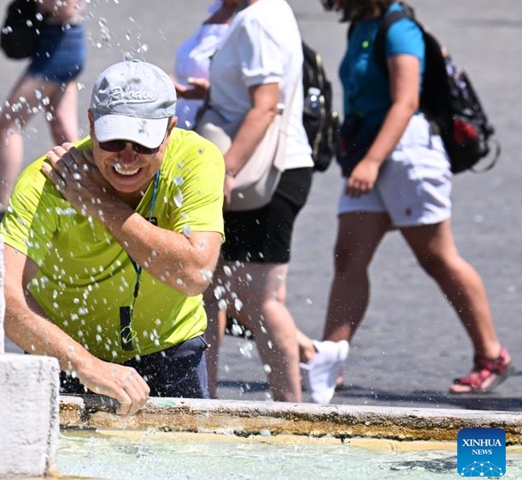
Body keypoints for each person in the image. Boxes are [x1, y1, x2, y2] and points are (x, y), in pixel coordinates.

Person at [305, 0, 513, 402]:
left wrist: (371, 161)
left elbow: (406, 102)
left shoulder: (399, 26)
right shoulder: (361, 26)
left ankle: (492, 354)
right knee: (348, 257)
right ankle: (330, 358)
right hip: (371, 153)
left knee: (438, 257)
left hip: (406, 155)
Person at [1, 60, 226, 416]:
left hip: (173, 346)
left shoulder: (196, 159)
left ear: (170, 130)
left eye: (143, 143)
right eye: (113, 140)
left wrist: (102, 206)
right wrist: (86, 365)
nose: (126, 156)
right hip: (68, 357)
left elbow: (194, 274)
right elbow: (5, 299)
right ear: (91, 123)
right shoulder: (46, 181)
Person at [178, 0, 348, 403]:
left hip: (266, 174)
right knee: (210, 291)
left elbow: (267, 105)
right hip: (264, 170)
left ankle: (292, 413)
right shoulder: (267, 11)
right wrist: (210, 90)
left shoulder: (258, 18)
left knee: (261, 302)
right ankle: (205, 400)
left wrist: (227, 170)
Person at [0, 0, 87, 232]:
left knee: (8, 124)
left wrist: (39, 5)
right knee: (63, 128)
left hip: (59, 47)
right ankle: (88, 202)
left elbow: (67, 7)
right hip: (67, 42)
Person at [172, 0, 241, 130]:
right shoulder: (219, 7)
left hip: (219, 126)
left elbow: (258, 97)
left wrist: (210, 94)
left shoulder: (254, 17)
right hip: (184, 118)